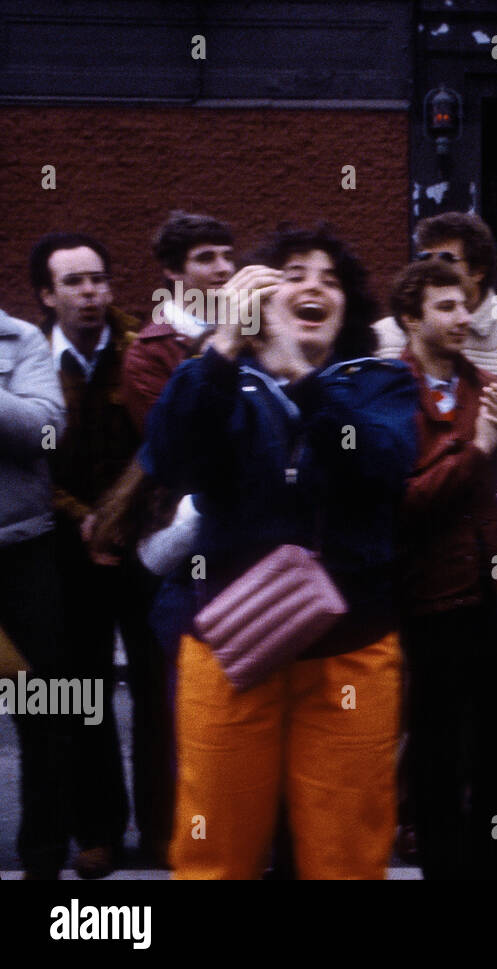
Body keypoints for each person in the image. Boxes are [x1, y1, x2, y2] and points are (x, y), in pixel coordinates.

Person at [141, 223, 418, 879]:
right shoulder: (215, 378)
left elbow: (378, 464)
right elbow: (170, 456)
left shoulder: (377, 382)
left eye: (330, 277)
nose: (314, 285)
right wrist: (225, 344)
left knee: (346, 855)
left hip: (350, 647)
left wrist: (303, 377)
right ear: (259, 296)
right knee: (214, 852)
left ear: (348, 304)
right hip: (230, 642)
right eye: (294, 273)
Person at [390, 256, 497, 878]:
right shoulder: (389, 393)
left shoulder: (490, 388)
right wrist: (477, 452)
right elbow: (406, 501)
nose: (461, 318)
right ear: (408, 319)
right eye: (444, 307)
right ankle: (443, 865)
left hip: (492, 592)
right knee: (436, 746)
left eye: (465, 304)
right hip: (426, 598)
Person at [29, 231, 159, 878]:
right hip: (69, 552)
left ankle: (165, 825)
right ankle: (98, 829)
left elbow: (164, 442)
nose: (90, 293)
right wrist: (84, 521)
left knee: (159, 687)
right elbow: (26, 467)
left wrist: (126, 519)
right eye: (73, 283)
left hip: (146, 544)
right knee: (85, 694)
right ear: (47, 296)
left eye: (98, 279)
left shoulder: (141, 350)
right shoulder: (29, 362)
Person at [0, 304, 69, 879]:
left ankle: (42, 857)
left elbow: (46, 431)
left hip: (20, 552)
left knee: (39, 708)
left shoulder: (19, 340)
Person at [374, 213, 497, 412]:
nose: (430, 269)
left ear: (478, 271)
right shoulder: (383, 336)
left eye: (446, 259)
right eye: (424, 258)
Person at [123, 211, 237, 433]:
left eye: (228, 256)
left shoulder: (252, 327)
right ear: (172, 270)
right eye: (206, 258)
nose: (224, 268)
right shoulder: (148, 354)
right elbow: (167, 442)